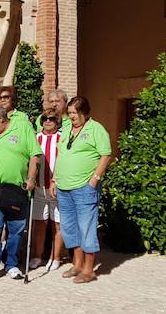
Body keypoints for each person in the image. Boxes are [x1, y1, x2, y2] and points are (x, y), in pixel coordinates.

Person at [53, 96, 112, 284]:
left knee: (86, 227)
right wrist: (54, 178)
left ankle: (89, 269)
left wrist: (94, 180)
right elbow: (61, 153)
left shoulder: (96, 129)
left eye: (74, 113)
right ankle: (77, 264)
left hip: (84, 187)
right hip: (64, 187)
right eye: (69, 113)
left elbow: (106, 155)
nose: (71, 117)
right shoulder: (67, 129)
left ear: (84, 112)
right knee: (69, 227)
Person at [0, 103, 42, 282]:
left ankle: (11, 264)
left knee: (16, 231)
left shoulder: (23, 127)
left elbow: (35, 155)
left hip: (18, 191)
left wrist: (31, 178)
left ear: (0, 119)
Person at [29, 109, 65, 271]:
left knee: (57, 224)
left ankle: (55, 257)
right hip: (38, 188)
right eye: (44, 118)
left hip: (56, 187)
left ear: (57, 121)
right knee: (39, 223)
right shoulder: (35, 138)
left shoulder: (62, 138)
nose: (47, 121)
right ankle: (37, 256)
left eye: (51, 119)